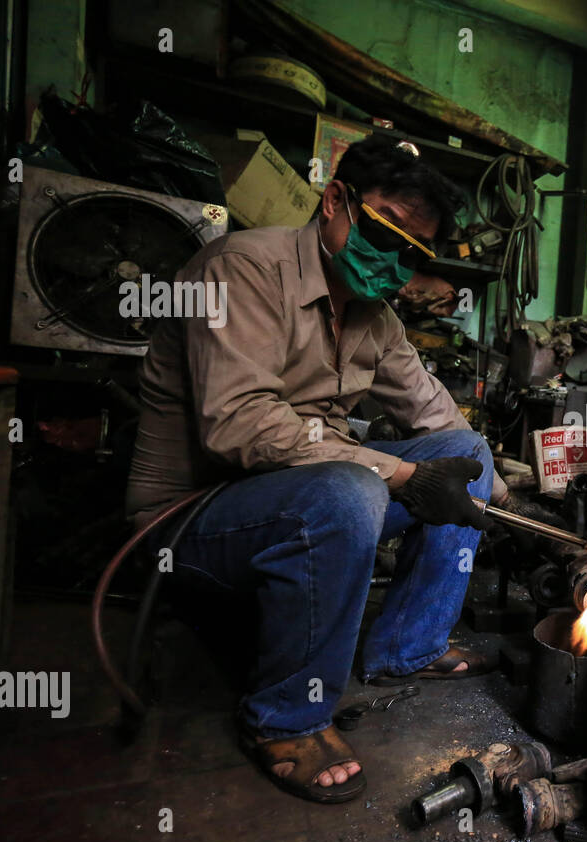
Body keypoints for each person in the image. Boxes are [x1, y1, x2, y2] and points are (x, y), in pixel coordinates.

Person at [125, 134, 505, 803]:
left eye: (411, 254)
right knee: (350, 490)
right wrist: (403, 477)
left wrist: (503, 497)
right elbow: (239, 426)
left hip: (309, 495)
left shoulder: (375, 318)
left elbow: (431, 409)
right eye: (383, 234)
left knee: (464, 455)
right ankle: (286, 718)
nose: (392, 262)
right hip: (192, 520)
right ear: (335, 201)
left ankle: (405, 647)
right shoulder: (239, 271)